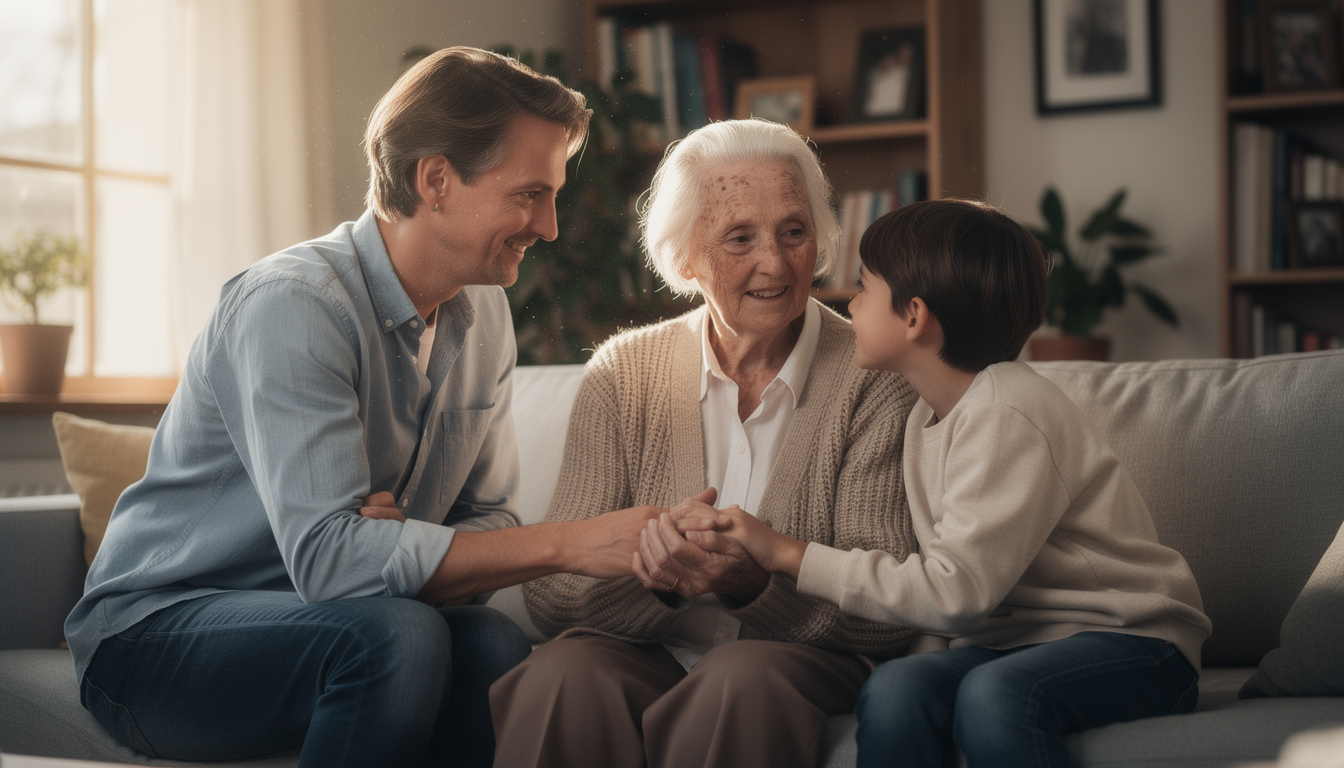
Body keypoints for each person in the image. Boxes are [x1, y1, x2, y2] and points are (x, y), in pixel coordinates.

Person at [64, 47, 698, 768]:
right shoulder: (294, 305)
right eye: (529, 194)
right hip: (157, 636)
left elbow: (489, 517)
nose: (548, 227)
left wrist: (390, 553)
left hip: (323, 620)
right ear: (436, 180)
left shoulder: (484, 315)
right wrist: (572, 543)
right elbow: (334, 563)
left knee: (490, 641)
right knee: (396, 634)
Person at [685, 198, 1213, 768]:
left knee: (995, 697)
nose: (850, 305)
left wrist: (787, 553)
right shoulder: (922, 418)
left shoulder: (1010, 409)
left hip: (1134, 643)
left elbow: (955, 593)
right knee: (894, 690)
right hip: (1017, 645)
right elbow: (945, 609)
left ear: (914, 317)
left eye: (864, 289)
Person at [489, 118, 920, 768]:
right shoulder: (623, 373)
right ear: (685, 258)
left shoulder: (874, 381)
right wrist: (659, 575)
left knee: (738, 680)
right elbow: (551, 597)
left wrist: (758, 589)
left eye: (793, 232)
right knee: (561, 675)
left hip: (794, 662)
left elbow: (889, 611)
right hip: (644, 650)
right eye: (739, 238)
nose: (774, 262)